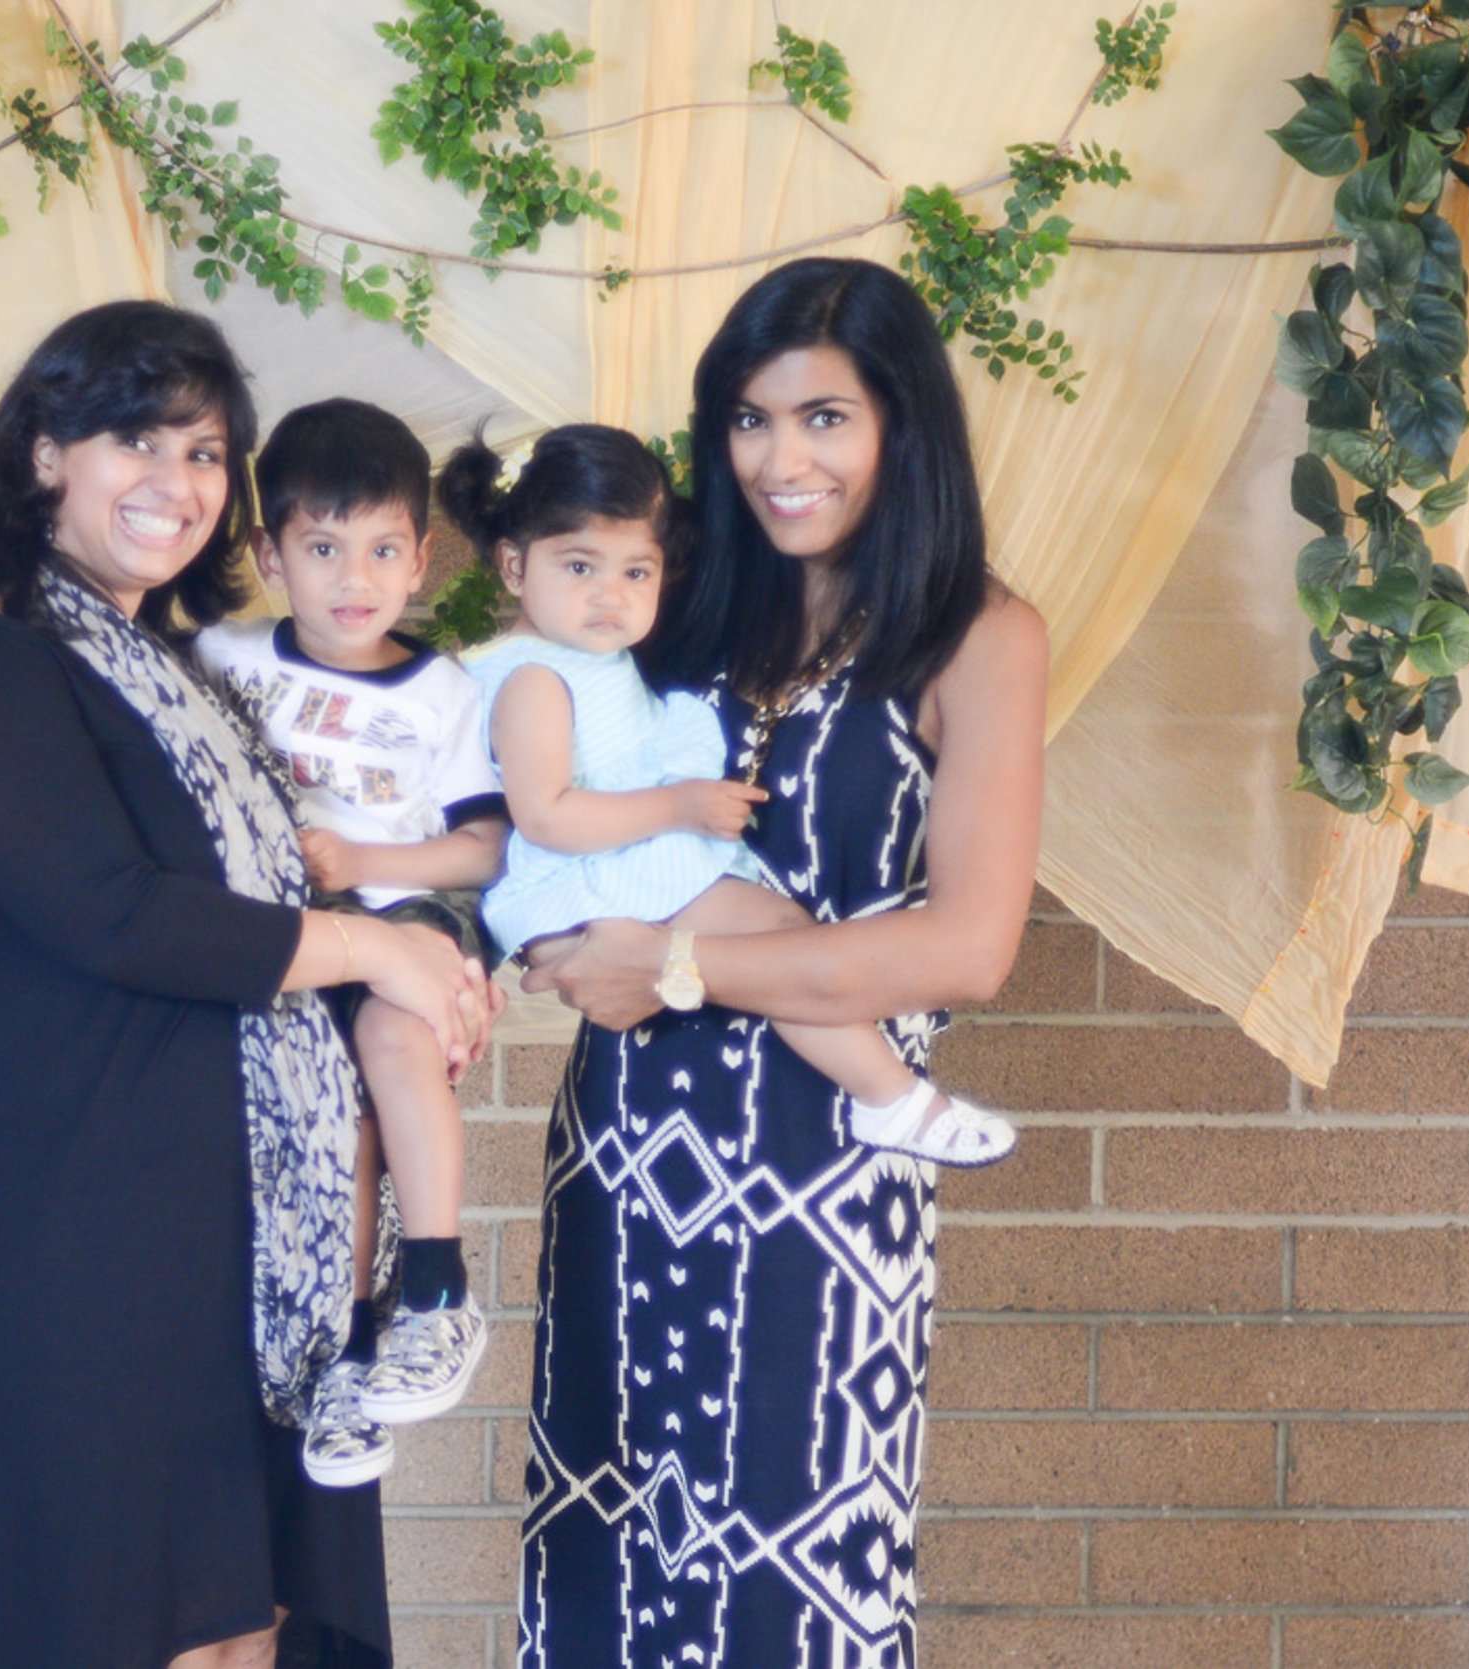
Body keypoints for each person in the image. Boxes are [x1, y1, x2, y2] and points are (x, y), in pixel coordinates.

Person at [0, 302, 494, 1669]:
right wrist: (376, 946)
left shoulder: (185, 681)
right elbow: (113, 914)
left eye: (207, 454)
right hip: (76, 1210)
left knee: (239, 1618)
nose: (177, 483)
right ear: (45, 454)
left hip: (248, 1227)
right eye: (134, 440)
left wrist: (423, 978)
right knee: (106, 1608)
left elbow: (283, 908)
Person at [513, 258, 1047, 1665]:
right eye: (748, 420)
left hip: (825, 1166)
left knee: (788, 1580)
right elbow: (547, 811)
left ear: (899, 428)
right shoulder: (673, 610)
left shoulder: (981, 636)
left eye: (824, 418)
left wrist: (676, 964)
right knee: (603, 1567)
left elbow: (967, 948)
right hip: (627, 1153)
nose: (780, 458)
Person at [442, 423, 1017, 1169]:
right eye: (579, 566)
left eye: (636, 573)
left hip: (620, 862)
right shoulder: (534, 679)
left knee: (776, 935)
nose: (609, 597)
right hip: (593, 873)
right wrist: (678, 807)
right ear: (514, 567)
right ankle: (893, 1098)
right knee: (782, 932)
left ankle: (886, 1094)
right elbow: (546, 815)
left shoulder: (584, 657)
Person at [194, 398, 509, 1488]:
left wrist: (369, 868)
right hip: (290, 937)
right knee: (335, 1126)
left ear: (421, 559)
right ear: (267, 553)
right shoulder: (226, 658)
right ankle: (342, 1358)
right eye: (321, 548)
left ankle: (435, 1286)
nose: (352, 576)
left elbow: (481, 849)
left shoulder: (442, 692)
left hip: (401, 915)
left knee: (390, 1041)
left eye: (380, 548)